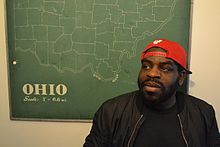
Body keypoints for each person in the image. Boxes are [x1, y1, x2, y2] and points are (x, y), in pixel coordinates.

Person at [83, 38, 220, 147]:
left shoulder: (203, 113)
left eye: (165, 68)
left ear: (181, 77)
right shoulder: (111, 112)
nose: (152, 73)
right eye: (146, 66)